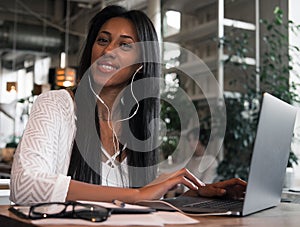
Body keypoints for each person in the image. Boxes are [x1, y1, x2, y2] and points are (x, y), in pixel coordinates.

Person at [10, 5, 246, 205]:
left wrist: (192, 196)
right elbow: (24, 185)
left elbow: (133, 198)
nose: (108, 50)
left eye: (125, 45)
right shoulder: (56, 105)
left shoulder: (138, 124)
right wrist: (137, 195)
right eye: (102, 40)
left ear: (141, 64)